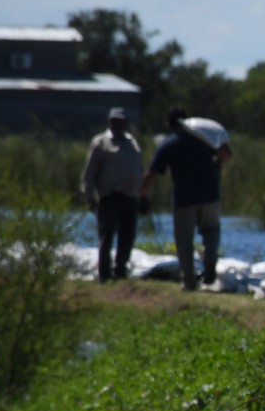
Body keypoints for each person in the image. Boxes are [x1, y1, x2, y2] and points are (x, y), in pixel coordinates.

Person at [141, 108, 232, 291]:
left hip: (185, 200)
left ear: (170, 125)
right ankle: (210, 270)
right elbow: (226, 154)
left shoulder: (169, 144)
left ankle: (190, 282)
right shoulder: (206, 139)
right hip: (210, 197)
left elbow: (152, 174)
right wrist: (217, 165)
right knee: (211, 232)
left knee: (184, 240)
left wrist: (141, 194)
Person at [80, 107, 145, 282]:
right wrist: (90, 196)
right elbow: (89, 172)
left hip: (130, 196)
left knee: (128, 234)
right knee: (107, 235)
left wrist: (142, 192)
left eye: (121, 121)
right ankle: (104, 273)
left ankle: (120, 269)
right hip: (110, 196)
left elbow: (138, 167)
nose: (118, 124)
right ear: (110, 122)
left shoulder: (131, 141)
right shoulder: (101, 142)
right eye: (115, 121)